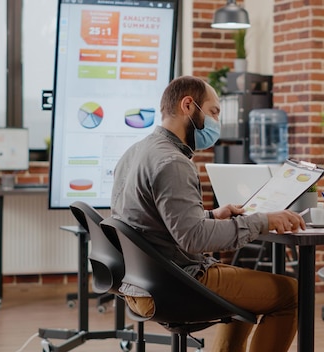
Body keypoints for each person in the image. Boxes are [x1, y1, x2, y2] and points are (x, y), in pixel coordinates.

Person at [111, 75, 306, 352]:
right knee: (293, 294)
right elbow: (194, 239)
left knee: (248, 289)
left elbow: (155, 222)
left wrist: (213, 215)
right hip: (173, 283)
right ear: (188, 106)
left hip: (140, 283)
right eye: (213, 111)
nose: (216, 121)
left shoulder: (135, 153)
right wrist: (264, 220)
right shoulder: (173, 162)